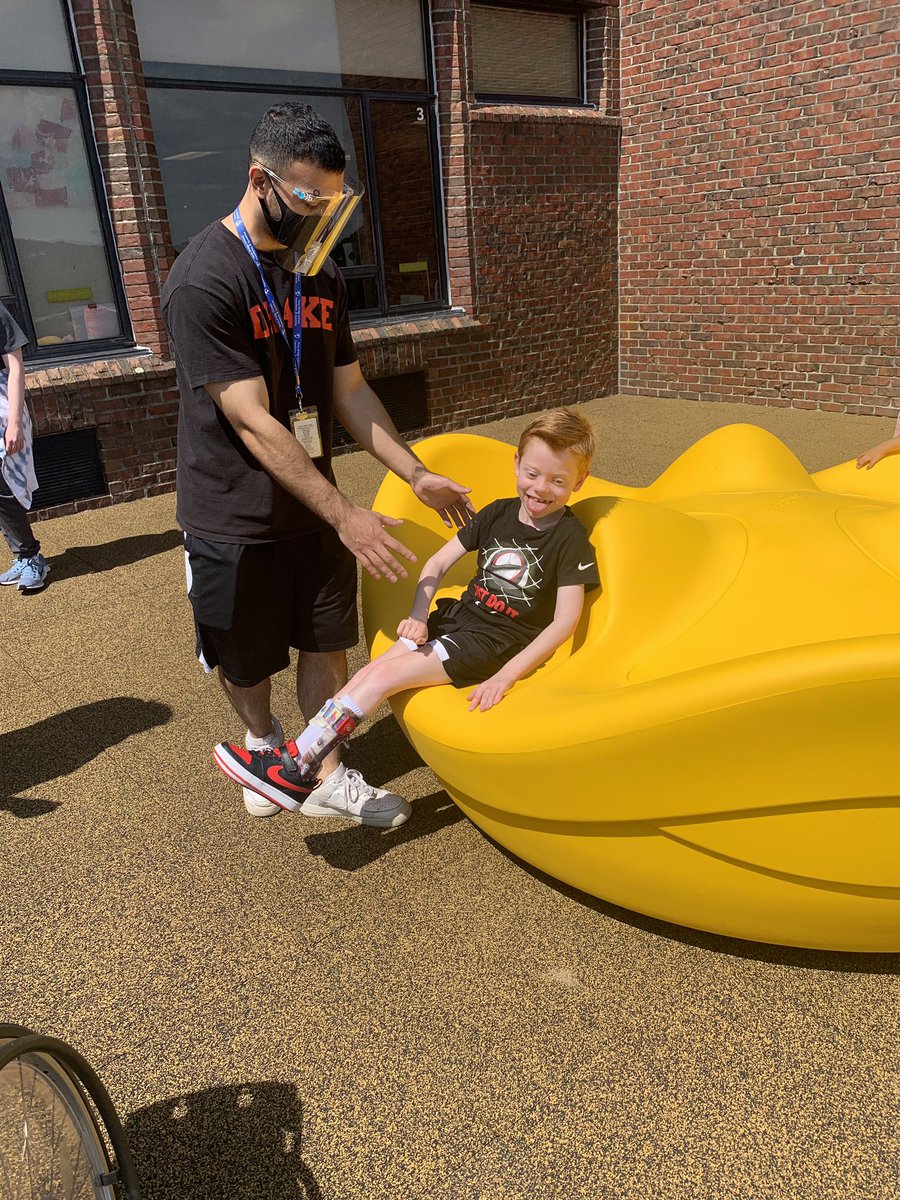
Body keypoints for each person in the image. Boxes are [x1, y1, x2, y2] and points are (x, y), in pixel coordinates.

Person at [162, 102, 473, 829]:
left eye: (333, 202)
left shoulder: (320, 274)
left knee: (327, 641)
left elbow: (349, 390)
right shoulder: (205, 278)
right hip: (230, 513)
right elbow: (250, 418)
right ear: (259, 180)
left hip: (315, 507)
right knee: (246, 659)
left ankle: (322, 770)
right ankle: (265, 745)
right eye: (306, 199)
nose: (319, 215)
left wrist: (415, 470)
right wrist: (348, 516)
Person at [213, 407, 601, 814]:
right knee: (369, 672)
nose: (541, 489)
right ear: (517, 464)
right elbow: (435, 564)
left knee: (382, 677)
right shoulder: (498, 513)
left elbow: (564, 621)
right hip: (452, 620)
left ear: (579, 481)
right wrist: (418, 614)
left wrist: (505, 677)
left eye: (558, 480)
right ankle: (295, 764)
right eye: (534, 474)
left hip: (489, 643)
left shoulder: (569, 538)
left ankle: (293, 767)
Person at [0, 302, 49, 592]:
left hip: (4, 407)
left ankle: (31, 558)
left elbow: (15, 366)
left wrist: (15, 423)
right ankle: (25, 554)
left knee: (6, 484)